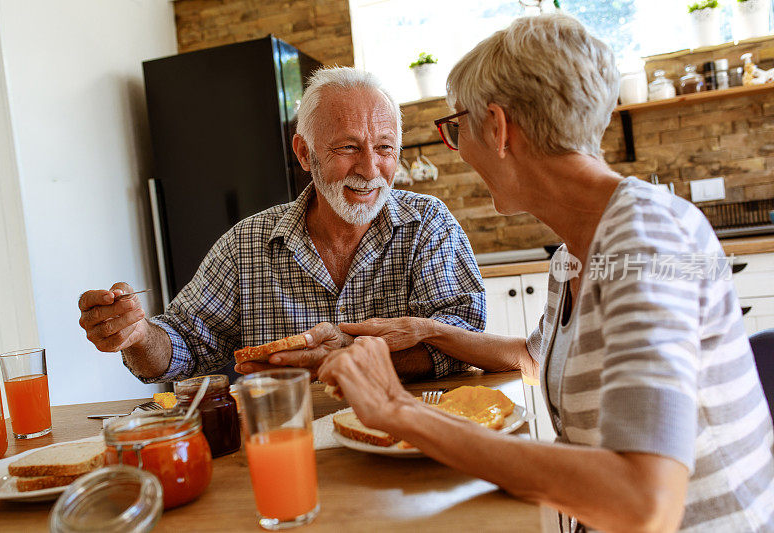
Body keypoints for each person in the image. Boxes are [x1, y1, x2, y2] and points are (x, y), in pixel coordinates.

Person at [320, 14, 774, 532]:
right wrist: (427, 330)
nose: (458, 146)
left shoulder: (645, 240)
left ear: (497, 127)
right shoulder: (576, 254)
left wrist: (398, 410)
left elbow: (645, 503)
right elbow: (532, 358)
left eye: (456, 126)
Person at [77, 67, 485, 383]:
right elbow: (183, 345)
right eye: (347, 147)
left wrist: (347, 360)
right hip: (290, 443)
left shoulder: (429, 225)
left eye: (384, 148)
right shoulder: (247, 244)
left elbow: (466, 339)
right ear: (305, 154)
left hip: (410, 441)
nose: (369, 168)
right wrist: (137, 336)